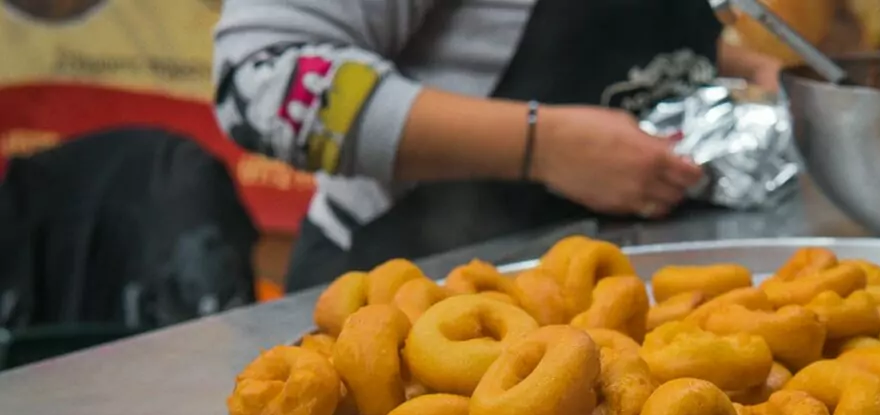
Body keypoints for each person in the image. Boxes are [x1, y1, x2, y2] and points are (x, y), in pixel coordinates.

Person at [212, 0, 783, 291]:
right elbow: (265, 80)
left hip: (620, 284)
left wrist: (743, 65)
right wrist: (543, 146)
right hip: (416, 285)